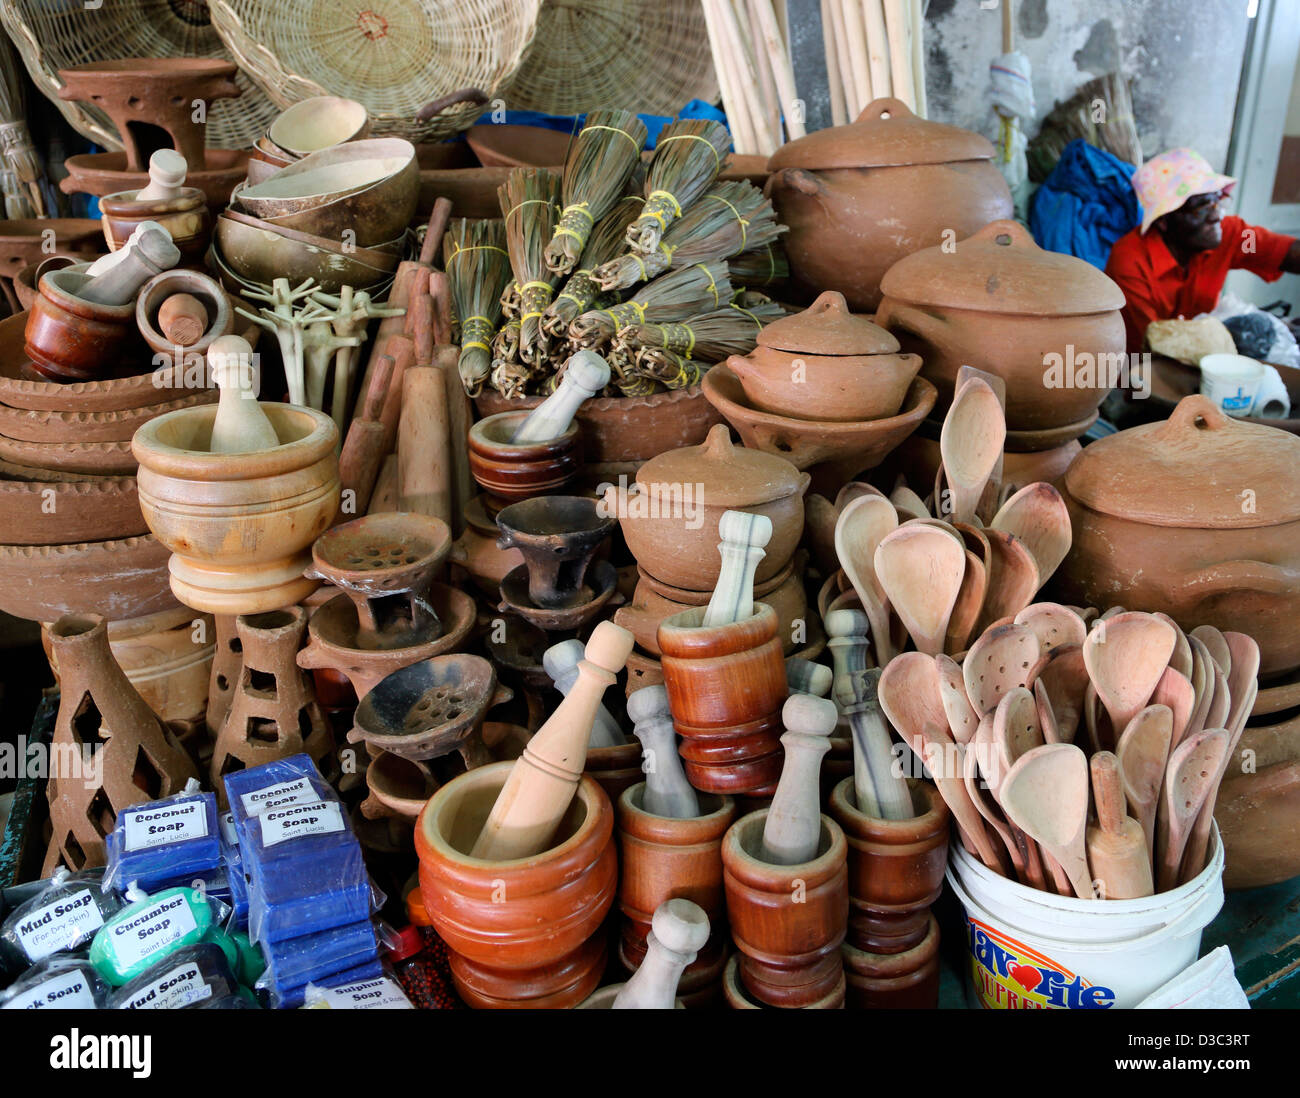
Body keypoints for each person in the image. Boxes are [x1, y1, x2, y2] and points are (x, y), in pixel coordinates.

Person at [1104, 148, 1300, 353]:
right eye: (1202, 207)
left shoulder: (1230, 234)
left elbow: (1281, 252)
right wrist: (1232, 336)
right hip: (1144, 372)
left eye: (1217, 200)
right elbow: (1151, 346)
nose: (1216, 215)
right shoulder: (1129, 263)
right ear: (1163, 220)